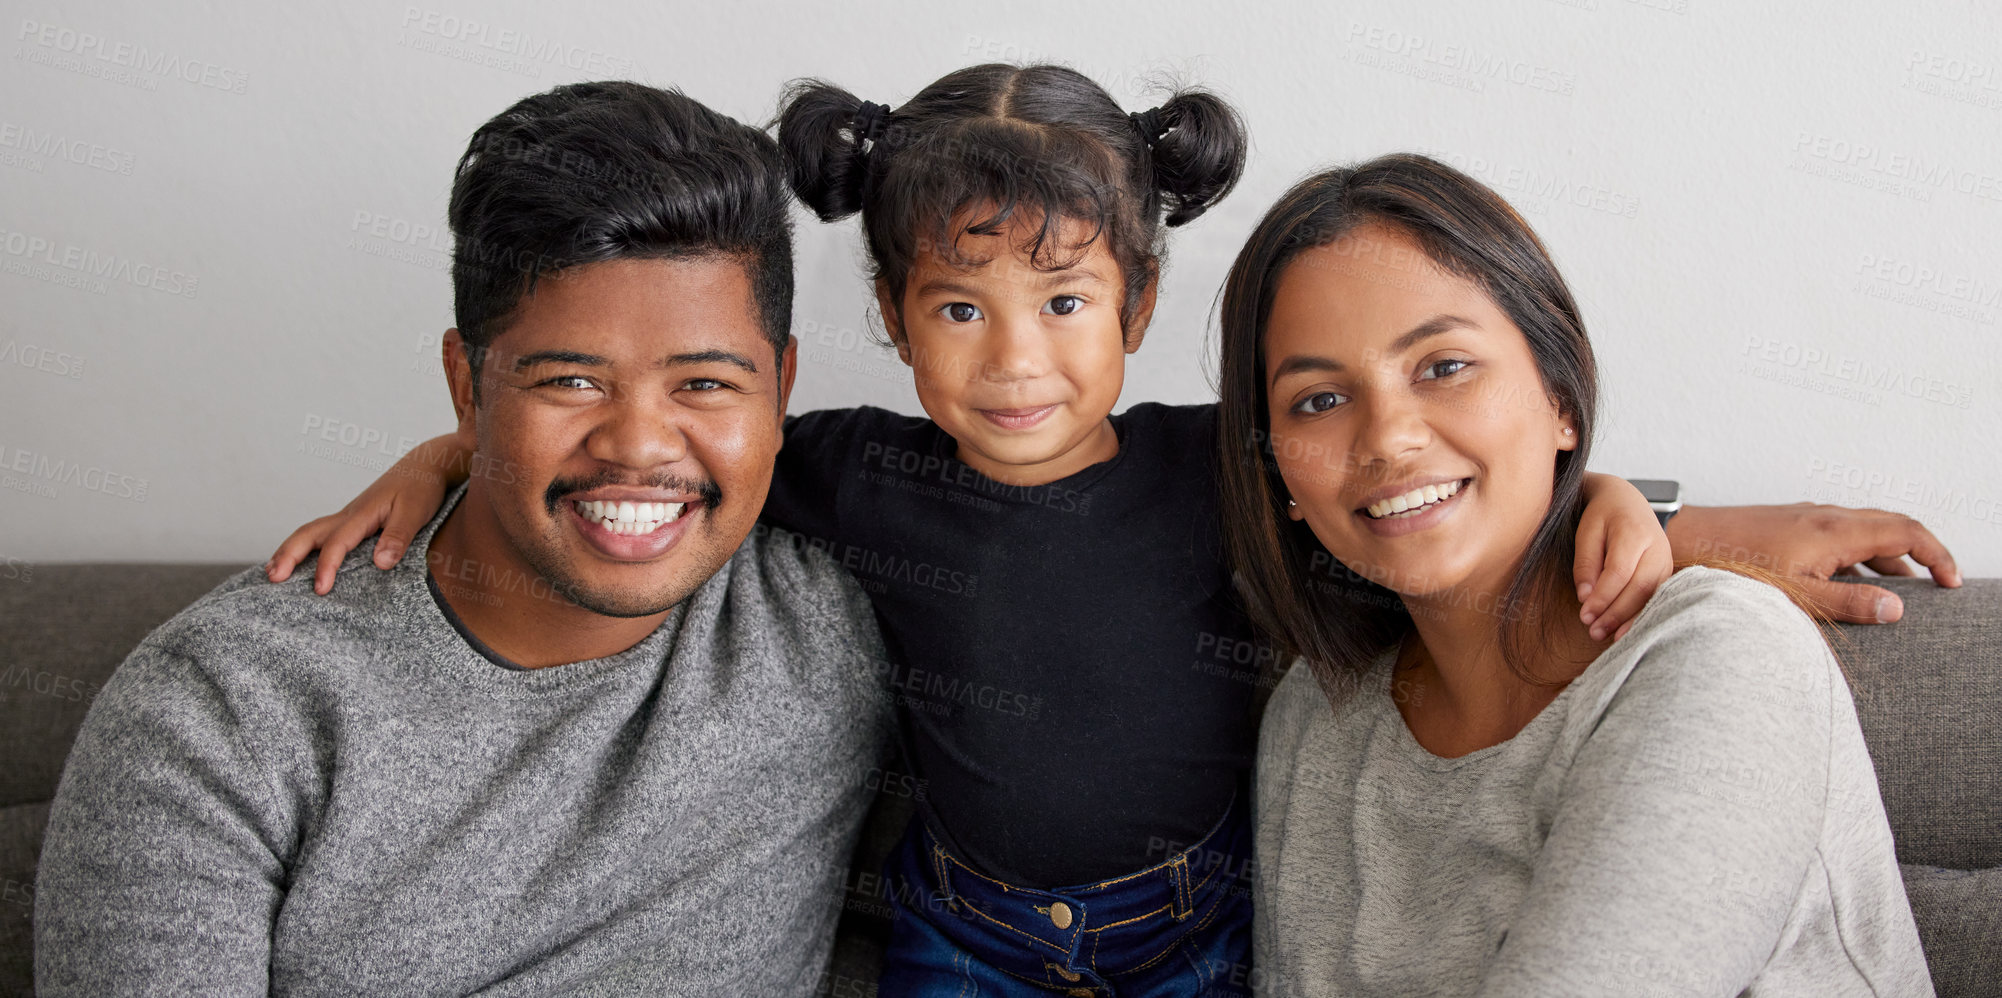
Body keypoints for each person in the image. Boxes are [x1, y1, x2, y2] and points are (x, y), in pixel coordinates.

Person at [263, 65, 1699, 995]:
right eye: (959, 308)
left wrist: (1651, 511)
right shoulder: (849, 471)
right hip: (962, 928)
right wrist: (437, 460)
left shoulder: (1228, 458)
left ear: (1134, 309)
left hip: (1193, 914)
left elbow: (1436, 507)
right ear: (890, 319)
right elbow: (648, 429)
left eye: (1063, 305)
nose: (1014, 362)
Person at [34, 81, 892, 997]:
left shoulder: (846, 608)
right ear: (466, 384)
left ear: (782, 384)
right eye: (568, 380)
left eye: (708, 385)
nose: (639, 444)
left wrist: (465, 452)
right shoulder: (224, 708)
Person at [1221, 153, 1933, 996]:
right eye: (1319, 401)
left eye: (1444, 367)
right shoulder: (1318, 715)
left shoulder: (1720, 656)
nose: (1388, 439)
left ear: (1562, 398)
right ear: (1279, 475)